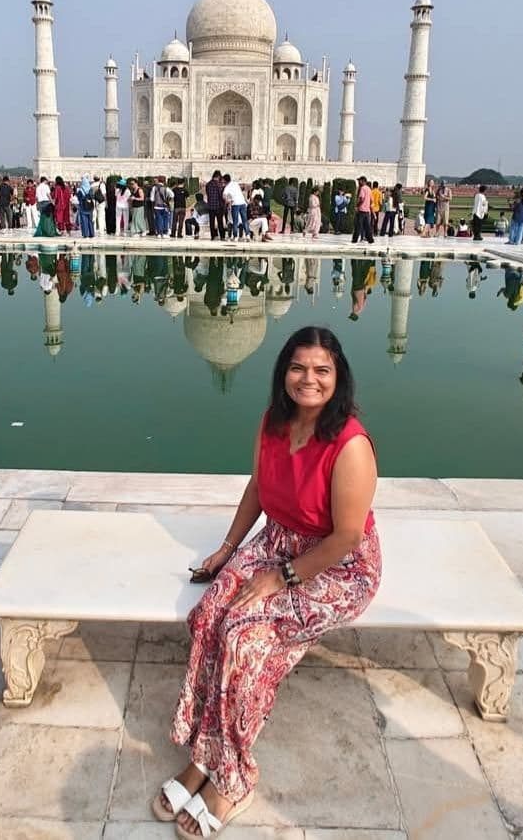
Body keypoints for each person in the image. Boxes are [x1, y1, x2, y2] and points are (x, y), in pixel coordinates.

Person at [158, 326, 380, 837]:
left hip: (336, 566)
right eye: (298, 368)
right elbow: (260, 485)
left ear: (338, 376)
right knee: (212, 614)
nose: (309, 380)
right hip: (279, 540)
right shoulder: (273, 423)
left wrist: (280, 579)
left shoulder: (350, 444)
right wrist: (228, 549)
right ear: (283, 373)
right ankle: (205, 750)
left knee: (245, 639)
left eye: (322, 370)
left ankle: (231, 779)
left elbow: (346, 536)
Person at [223, 174, 249, 241]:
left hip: (235, 204)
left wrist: (227, 201)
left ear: (225, 180)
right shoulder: (235, 184)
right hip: (243, 203)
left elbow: (224, 196)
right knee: (244, 220)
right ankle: (247, 235)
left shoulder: (227, 187)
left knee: (235, 221)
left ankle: (235, 236)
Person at [351, 176, 375, 244]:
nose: (358, 182)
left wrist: (357, 206)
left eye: (359, 181)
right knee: (367, 226)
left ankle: (354, 239)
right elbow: (371, 200)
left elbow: (361, 198)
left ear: (363, 181)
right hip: (367, 211)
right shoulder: (369, 189)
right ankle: (370, 239)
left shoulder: (362, 188)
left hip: (361, 210)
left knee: (358, 225)